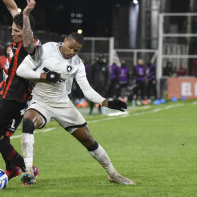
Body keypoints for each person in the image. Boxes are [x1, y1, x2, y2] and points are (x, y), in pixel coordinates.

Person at [17, 29, 135, 185]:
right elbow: (21, 70)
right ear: (65, 40)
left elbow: (86, 90)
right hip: (41, 101)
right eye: (70, 47)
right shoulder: (46, 49)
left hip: (63, 104)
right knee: (28, 121)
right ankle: (29, 171)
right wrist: (44, 76)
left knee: (88, 139)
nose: (72, 52)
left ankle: (113, 174)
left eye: (76, 50)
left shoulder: (77, 63)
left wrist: (106, 102)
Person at [0, 0, 40, 182]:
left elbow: (27, 41)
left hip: (11, 97)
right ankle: (12, 170)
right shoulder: (20, 33)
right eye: (12, 29)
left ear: (25, 30)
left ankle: (27, 167)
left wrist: (25, 16)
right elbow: (11, 7)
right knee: (5, 138)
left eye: (16, 31)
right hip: (13, 98)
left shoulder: (30, 44)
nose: (13, 33)